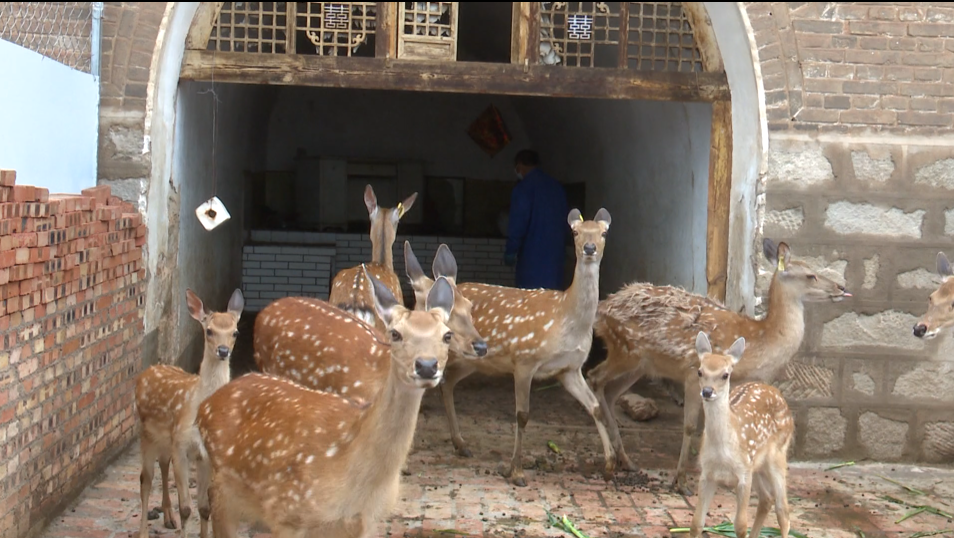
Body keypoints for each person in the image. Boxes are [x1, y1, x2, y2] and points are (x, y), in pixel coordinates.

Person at [504, 149, 569, 290]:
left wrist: (511, 250)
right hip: (555, 260)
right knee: (553, 303)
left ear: (519, 166)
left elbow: (518, 223)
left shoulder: (523, 189)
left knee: (530, 304)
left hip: (532, 261)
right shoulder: (557, 188)